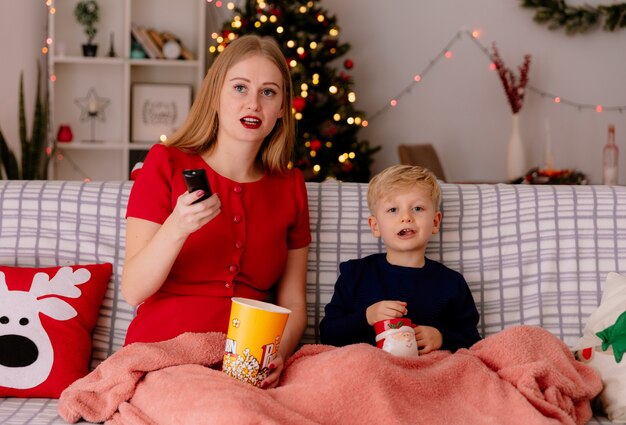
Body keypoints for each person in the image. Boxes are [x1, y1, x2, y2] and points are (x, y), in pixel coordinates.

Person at [121, 35, 311, 388]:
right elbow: (133, 290)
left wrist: (276, 356)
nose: (253, 103)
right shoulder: (165, 163)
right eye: (240, 88)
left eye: (268, 92)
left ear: (282, 108)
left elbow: (294, 304)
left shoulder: (290, 185)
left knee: (357, 372)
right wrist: (177, 226)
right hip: (166, 356)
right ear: (216, 96)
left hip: (248, 362)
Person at [319, 165, 480, 354]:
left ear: (435, 222)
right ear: (375, 226)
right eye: (393, 209)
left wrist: (441, 338)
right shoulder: (355, 274)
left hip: (428, 372)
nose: (406, 217)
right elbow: (328, 334)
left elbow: (473, 343)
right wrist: (367, 317)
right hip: (368, 370)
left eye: (417, 208)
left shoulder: (452, 283)